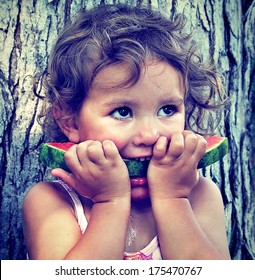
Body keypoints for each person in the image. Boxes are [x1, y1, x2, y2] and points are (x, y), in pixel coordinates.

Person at [22, 4, 231, 260]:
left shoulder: (201, 196)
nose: (151, 134)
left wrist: (173, 199)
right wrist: (110, 203)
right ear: (70, 121)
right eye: (122, 112)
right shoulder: (51, 201)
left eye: (167, 109)